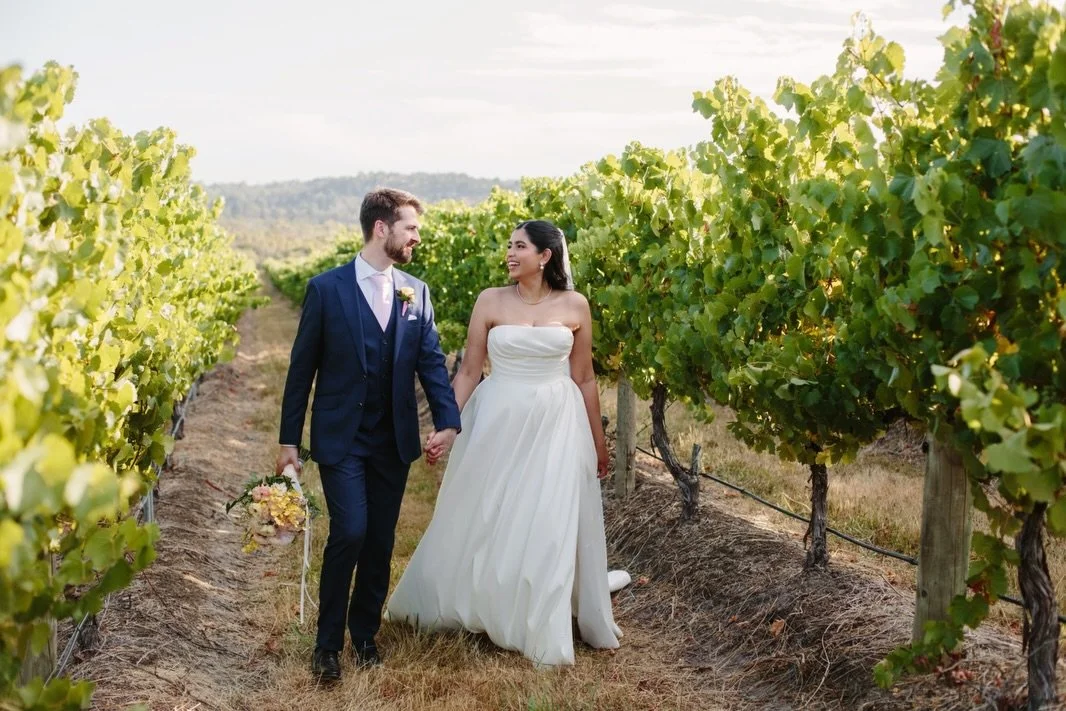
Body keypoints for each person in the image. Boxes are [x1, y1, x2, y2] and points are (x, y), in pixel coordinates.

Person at [386, 219, 624, 668]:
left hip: (557, 420)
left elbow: (585, 377)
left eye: (520, 246)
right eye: (509, 245)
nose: (510, 254)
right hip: (498, 416)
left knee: (547, 516)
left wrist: (598, 442)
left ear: (545, 256)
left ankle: (539, 617)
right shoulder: (489, 301)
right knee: (488, 508)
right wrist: (447, 426)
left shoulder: (575, 305)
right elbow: (470, 372)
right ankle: (483, 600)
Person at [276, 187, 461, 684]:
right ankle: (326, 645)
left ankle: (364, 636)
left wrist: (447, 420)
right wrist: (288, 441)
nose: (417, 237)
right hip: (341, 438)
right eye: (411, 228)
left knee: (379, 542)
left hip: (392, 440)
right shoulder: (325, 289)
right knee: (350, 531)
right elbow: (301, 372)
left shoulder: (415, 291)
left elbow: (429, 361)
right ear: (382, 229)